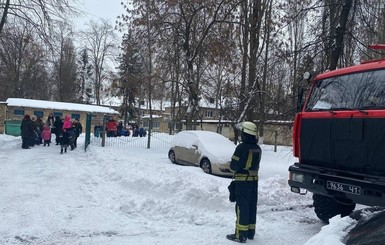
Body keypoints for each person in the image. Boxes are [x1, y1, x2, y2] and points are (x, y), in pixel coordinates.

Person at [226, 121, 262, 243]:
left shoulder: (241, 147)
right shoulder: (257, 148)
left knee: (242, 207)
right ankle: (250, 232)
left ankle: (240, 235)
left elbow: (234, 166)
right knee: (252, 206)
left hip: (242, 183)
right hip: (254, 182)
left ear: (245, 133)